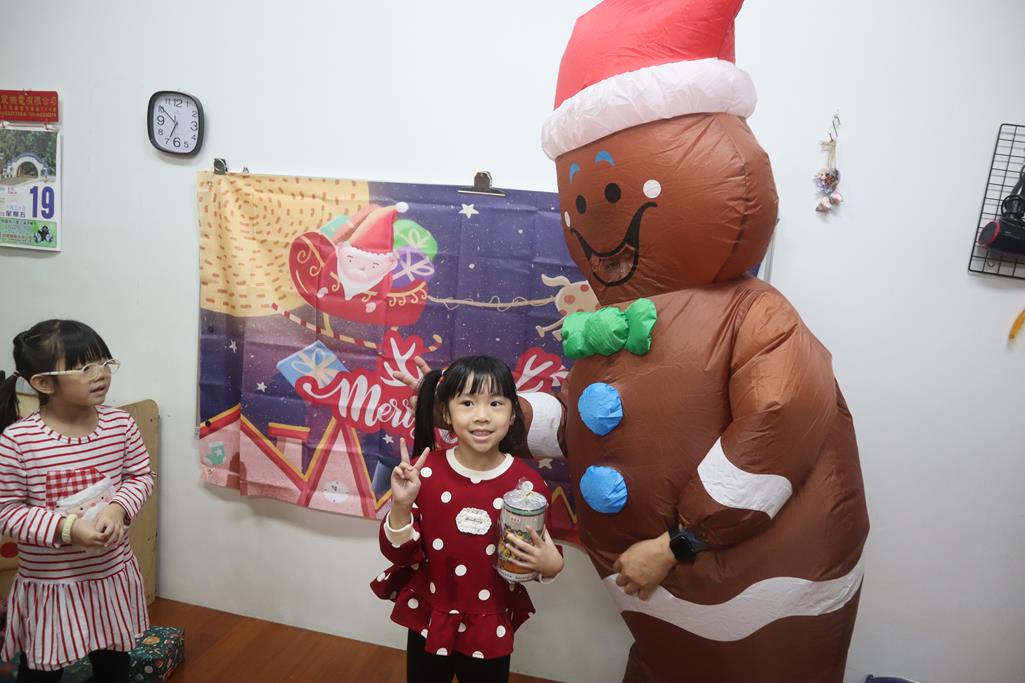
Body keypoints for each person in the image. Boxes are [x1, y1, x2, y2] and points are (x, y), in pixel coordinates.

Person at [371, 355, 564, 683]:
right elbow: (398, 554)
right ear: (447, 413)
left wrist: (551, 566)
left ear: (512, 413)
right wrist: (401, 506)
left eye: (496, 403)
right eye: (468, 403)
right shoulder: (423, 473)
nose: (482, 416)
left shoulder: (528, 488)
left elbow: (529, 558)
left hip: (489, 624)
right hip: (429, 615)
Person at [0, 320, 153, 682]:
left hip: (109, 574)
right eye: (85, 367)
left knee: (113, 664)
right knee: (42, 670)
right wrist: (68, 529)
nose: (101, 374)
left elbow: (141, 476)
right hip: (52, 584)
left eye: (104, 362)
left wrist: (118, 508)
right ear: (44, 383)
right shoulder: (19, 441)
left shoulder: (121, 425)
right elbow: (7, 511)